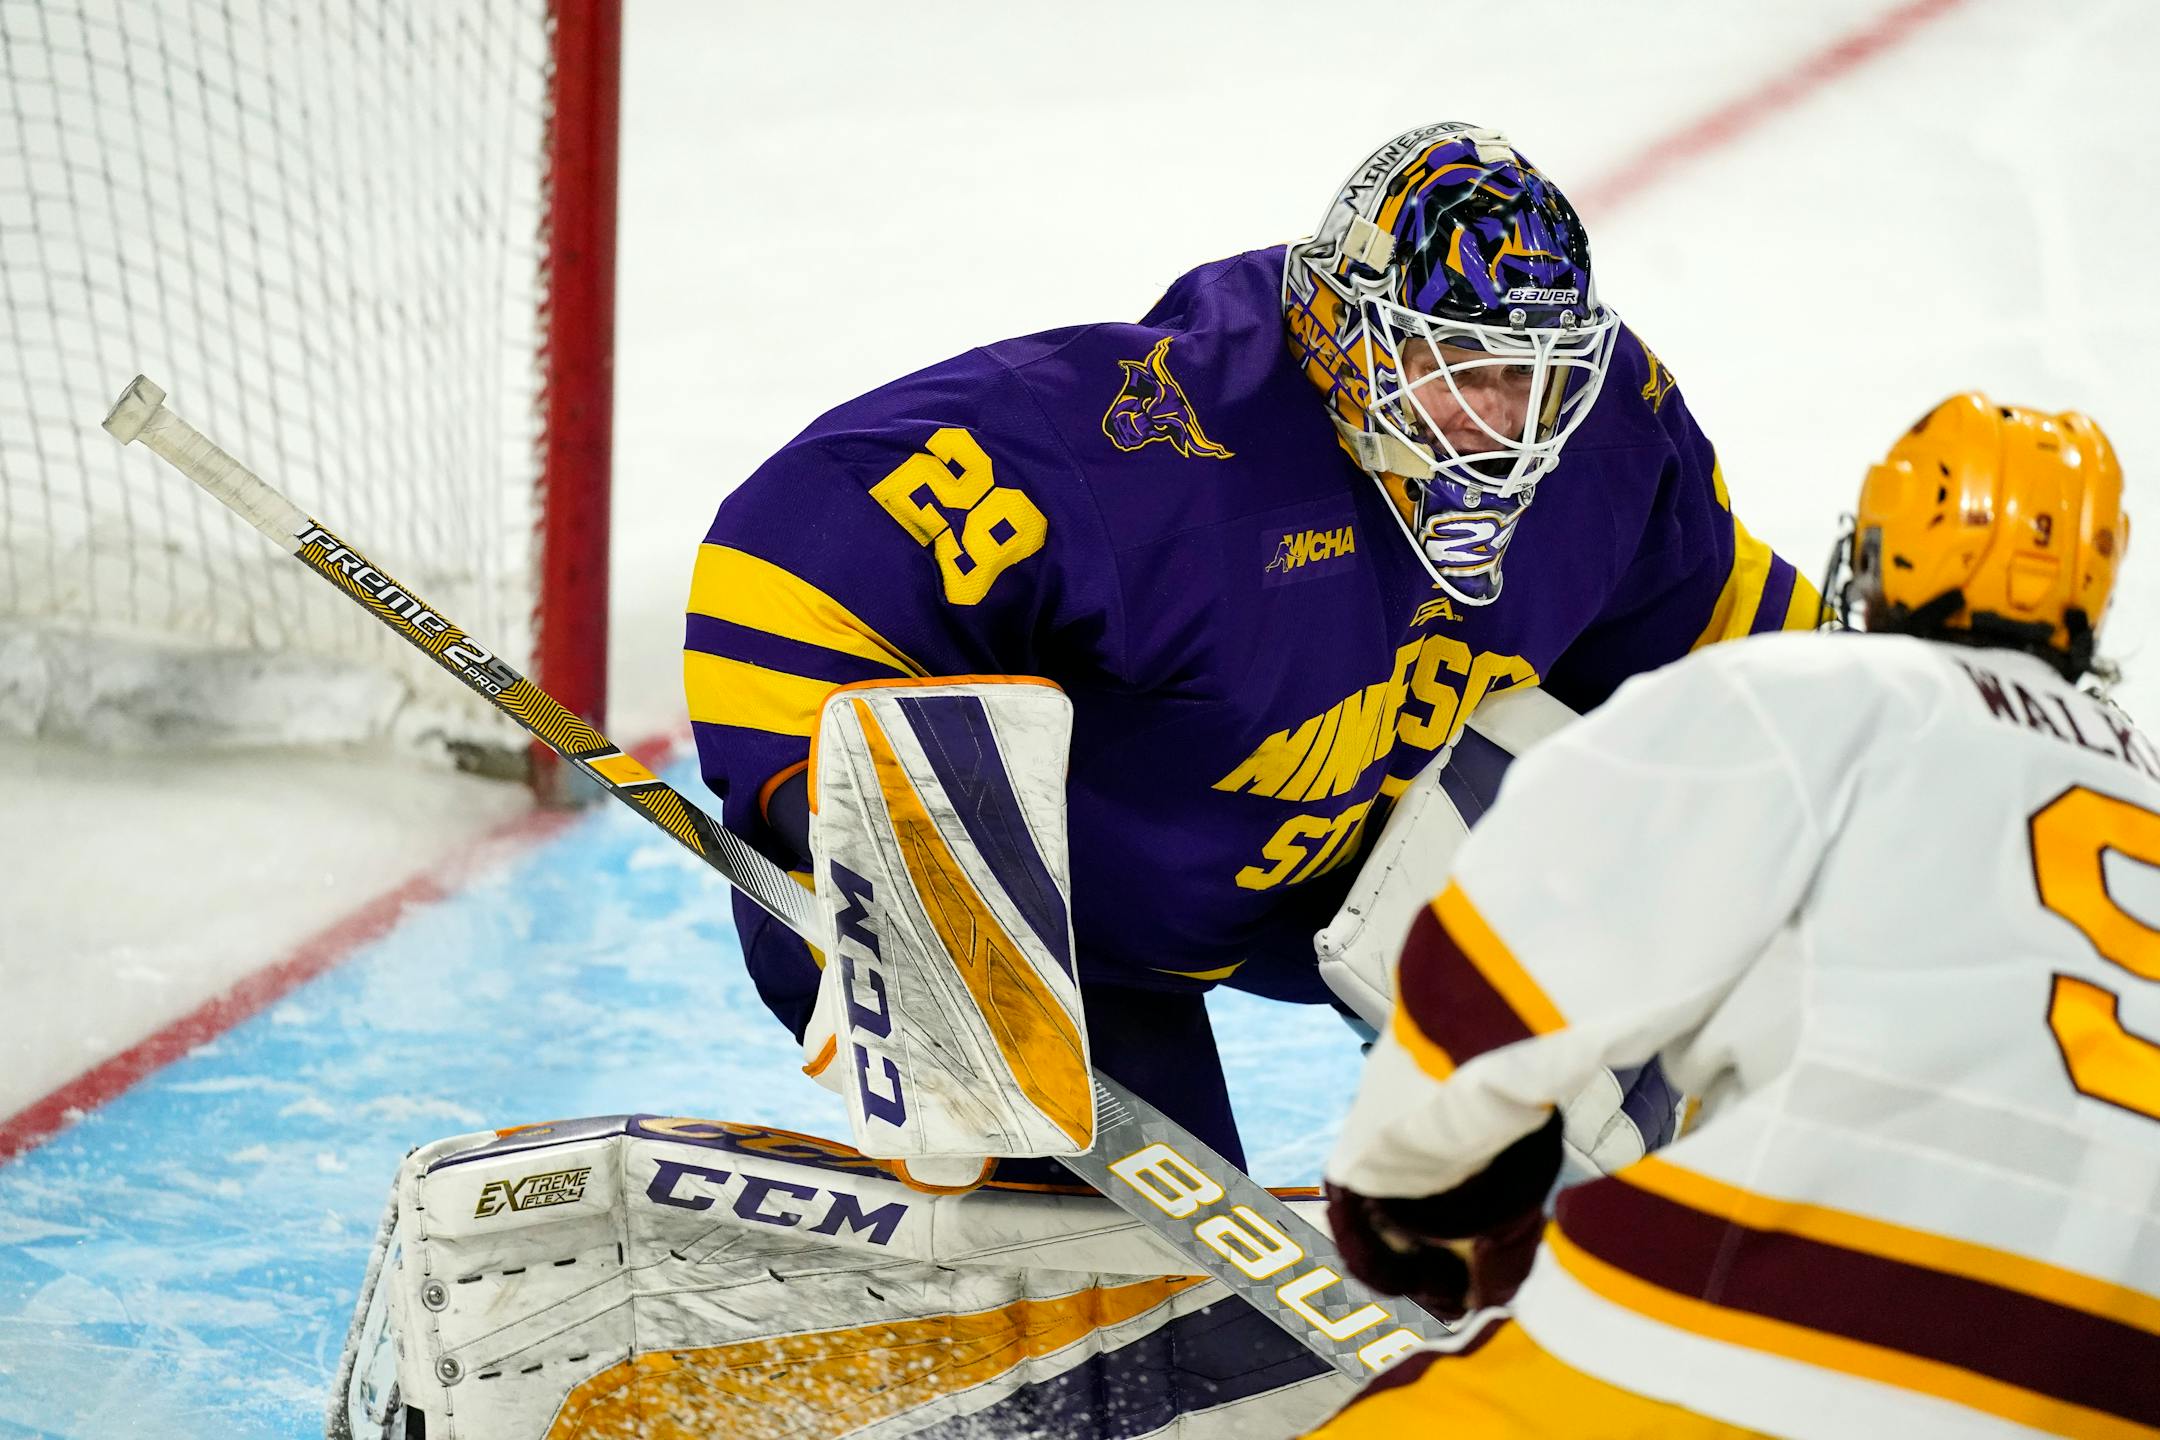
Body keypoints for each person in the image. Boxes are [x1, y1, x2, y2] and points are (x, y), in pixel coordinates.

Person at [684, 119, 1818, 1179]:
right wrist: (854, 849)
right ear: (1341, 333)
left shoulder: (1607, 439)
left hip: (1316, 892)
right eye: (1457, 367)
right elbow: (788, 555)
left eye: (1531, 376)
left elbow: (1755, 667)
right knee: (1131, 1272)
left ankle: (1553, 1223)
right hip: (1068, 937)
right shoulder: (1159, 444)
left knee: (1619, 812)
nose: (1502, 423)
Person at [1309, 394, 2153, 1438]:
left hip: (1808, 1305)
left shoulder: (1810, 693)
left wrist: (1407, 1187)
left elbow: (1510, 951)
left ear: (1883, 550)